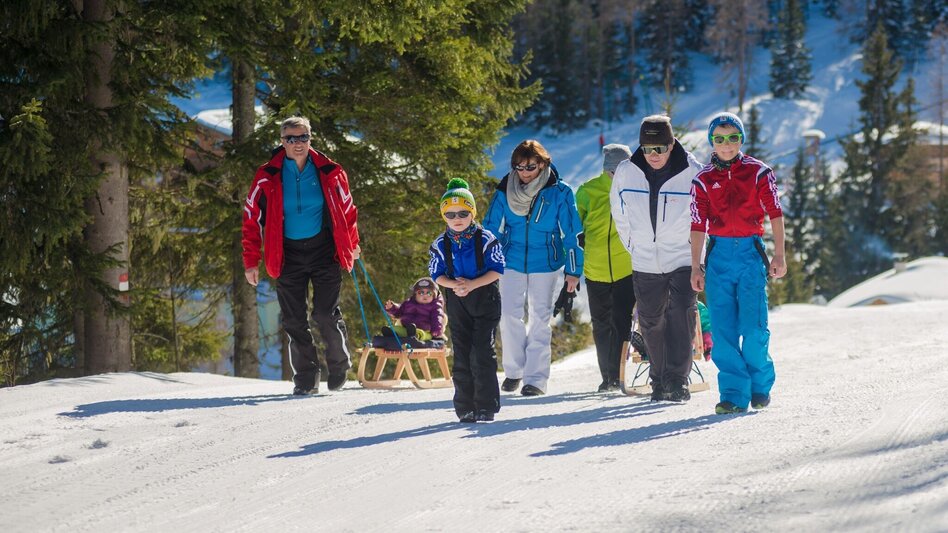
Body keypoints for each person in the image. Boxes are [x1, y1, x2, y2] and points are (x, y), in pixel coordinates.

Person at [242, 116, 361, 396]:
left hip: (324, 251)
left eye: (303, 137)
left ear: (311, 138)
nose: (297, 144)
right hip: (286, 254)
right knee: (294, 319)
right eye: (291, 139)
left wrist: (352, 244)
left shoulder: (330, 171)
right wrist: (251, 261)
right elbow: (251, 217)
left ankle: (339, 363)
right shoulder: (266, 175)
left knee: (323, 312)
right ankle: (306, 376)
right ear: (282, 142)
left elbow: (348, 210)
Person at [690, 112, 786, 415]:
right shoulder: (703, 179)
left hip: (749, 254)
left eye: (733, 137)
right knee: (723, 330)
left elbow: (775, 213)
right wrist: (696, 265)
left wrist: (779, 254)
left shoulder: (759, 172)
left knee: (755, 328)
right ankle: (732, 394)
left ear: (741, 139)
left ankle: (759, 387)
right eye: (719, 139)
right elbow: (696, 224)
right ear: (711, 142)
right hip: (718, 256)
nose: (726, 144)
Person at [610, 115, 704, 402]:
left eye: (660, 149)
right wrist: (633, 246)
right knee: (651, 321)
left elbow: (703, 218)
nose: (653, 155)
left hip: (682, 257)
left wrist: (696, 255)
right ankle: (659, 380)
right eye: (647, 149)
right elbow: (619, 212)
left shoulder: (691, 171)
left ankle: (678, 381)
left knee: (681, 316)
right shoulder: (627, 171)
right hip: (644, 260)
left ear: (671, 143)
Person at [483, 140, 584, 396]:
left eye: (530, 166)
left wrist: (573, 271)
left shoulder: (560, 192)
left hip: (547, 263)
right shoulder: (505, 189)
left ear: (542, 163)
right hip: (512, 259)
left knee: (540, 318)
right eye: (519, 166)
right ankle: (514, 371)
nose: (524, 172)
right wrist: (488, 262)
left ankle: (535, 380)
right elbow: (491, 228)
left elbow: (572, 233)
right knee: (508, 316)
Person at [429, 178, 505, 423]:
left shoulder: (486, 239)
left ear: (472, 212)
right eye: (450, 214)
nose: (457, 218)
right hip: (457, 299)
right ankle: (465, 406)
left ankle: (486, 405)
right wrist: (455, 285)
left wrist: (471, 284)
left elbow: (497, 269)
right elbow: (436, 274)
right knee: (461, 352)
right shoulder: (441, 244)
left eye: (463, 212)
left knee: (482, 351)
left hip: (484, 295)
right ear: (444, 216)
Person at [576, 144, 637, 392]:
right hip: (596, 268)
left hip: (625, 268)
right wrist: (580, 237)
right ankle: (607, 377)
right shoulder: (587, 191)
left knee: (622, 322)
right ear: (607, 169)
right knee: (601, 324)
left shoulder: (634, 190)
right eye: (614, 171)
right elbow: (575, 224)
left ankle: (619, 374)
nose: (618, 176)